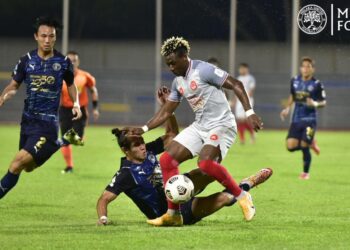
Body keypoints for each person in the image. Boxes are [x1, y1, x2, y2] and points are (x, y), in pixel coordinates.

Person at [126, 37, 263, 226]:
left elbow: (237, 85)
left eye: (173, 63)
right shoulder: (178, 82)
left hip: (222, 124)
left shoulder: (203, 70)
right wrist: (143, 129)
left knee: (205, 164)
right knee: (167, 160)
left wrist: (250, 112)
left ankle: (242, 196)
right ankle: (173, 214)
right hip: (200, 126)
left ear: (184, 56)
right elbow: (167, 110)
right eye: (168, 64)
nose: (171, 67)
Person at [96, 86, 272, 226]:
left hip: (178, 186)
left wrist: (167, 107)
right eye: (136, 145)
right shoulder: (125, 174)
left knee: (208, 171)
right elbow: (104, 199)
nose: (142, 146)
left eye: (142, 141)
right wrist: (103, 218)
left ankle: (239, 188)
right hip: (172, 212)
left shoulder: (148, 151)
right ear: (125, 150)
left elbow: (172, 134)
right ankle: (247, 185)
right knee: (225, 198)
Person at [0, 17, 82, 200]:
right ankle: (62, 142)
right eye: (43, 36)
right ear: (36, 36)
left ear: (55, 37)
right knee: (28, 168)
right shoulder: (26, 61)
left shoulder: (63, 62)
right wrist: (4, 96)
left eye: (51, 36)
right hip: (27, 122)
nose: (47, 40)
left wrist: (76, 103)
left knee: (16, 164)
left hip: (47, 124)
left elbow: (71, 84)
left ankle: (55, 140)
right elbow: (14, 85)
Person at [280, 57, 326, 180]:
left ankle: (305, 173)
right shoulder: (294, 80)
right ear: (300, 68)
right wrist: (287, 108)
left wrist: (315, 104)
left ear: (312, 69)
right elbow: (292, 96)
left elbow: (323, 102)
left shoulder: (317, 84)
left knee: (304, 145)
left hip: (310, 120)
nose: (305, 69)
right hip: (296, 119)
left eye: (308, 66)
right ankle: (311, 143)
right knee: (290, 147)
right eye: (303, 66)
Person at [60, 51, 99, 174]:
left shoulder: (85, 76)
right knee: (65, 140)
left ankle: (80, 137)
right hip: (65, 110)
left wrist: (95, 108)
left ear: (78, 62)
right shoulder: (60, 76)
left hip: (80, 110)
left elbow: (93, 90)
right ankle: (69, 166)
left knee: (77, 139)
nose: (72, 62)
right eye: (69, 60)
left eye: (74, 60)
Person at [232, 63, 256, 144]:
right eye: (240, 69)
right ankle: (242, 139)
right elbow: (236, 91)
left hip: (248, 100)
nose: (241, 70)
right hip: (239, 101)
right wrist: (234, 101)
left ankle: (252, 135)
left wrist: (246, 99)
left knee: (246, 119)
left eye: (243, 68)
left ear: (246, 69)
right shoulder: (238, 78)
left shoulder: (250, 78)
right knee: (239, 120)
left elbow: (251, 90)